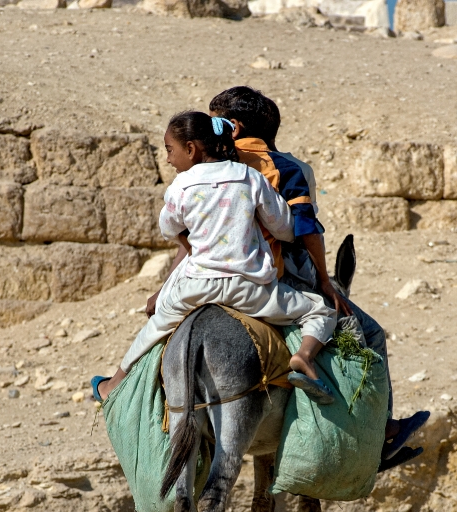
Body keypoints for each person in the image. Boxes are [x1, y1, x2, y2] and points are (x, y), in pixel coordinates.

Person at [207, 86, 430, 459]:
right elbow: (306, 229)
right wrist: (326, 283)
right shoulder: (288, 168)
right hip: (275, 273)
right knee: (368, 331)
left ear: (232, 126)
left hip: (206, 271)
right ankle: (382, 432)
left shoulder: (205, 165)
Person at [93, 110, 337, 405]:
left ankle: (113, 385)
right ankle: (304, 357)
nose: (169, 159)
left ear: (191, 149)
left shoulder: (181, 186)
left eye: (170, 150)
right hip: (249, 290)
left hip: (196, 287)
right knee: (320, 310)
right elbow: (285, 229)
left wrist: (193, 243)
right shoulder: (250, 177)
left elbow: (167, 227)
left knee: (155, 327)